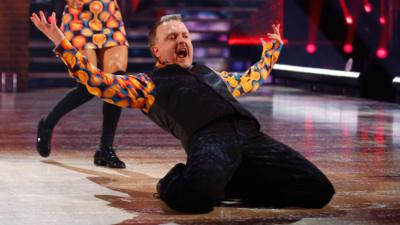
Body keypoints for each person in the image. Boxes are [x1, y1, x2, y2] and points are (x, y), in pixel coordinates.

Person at [31, 12, 335, 213]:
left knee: (319, 190)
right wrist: (62, 43)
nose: (182, 40)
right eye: (172, 37)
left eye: (185, 35)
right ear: (156, 52)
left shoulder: (214, 75)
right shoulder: (147, 85)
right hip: (208, 139)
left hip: (251, 135)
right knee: (197, 200)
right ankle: (175, 179)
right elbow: (97, 81)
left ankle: (231, 183)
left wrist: (271, 53)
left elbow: (251, 78)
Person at [36, 0, 129, 168]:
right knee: (88, 84)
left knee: (116, 80)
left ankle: (105, 148)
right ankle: (48, 123)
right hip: (78, 16)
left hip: (109, 14)